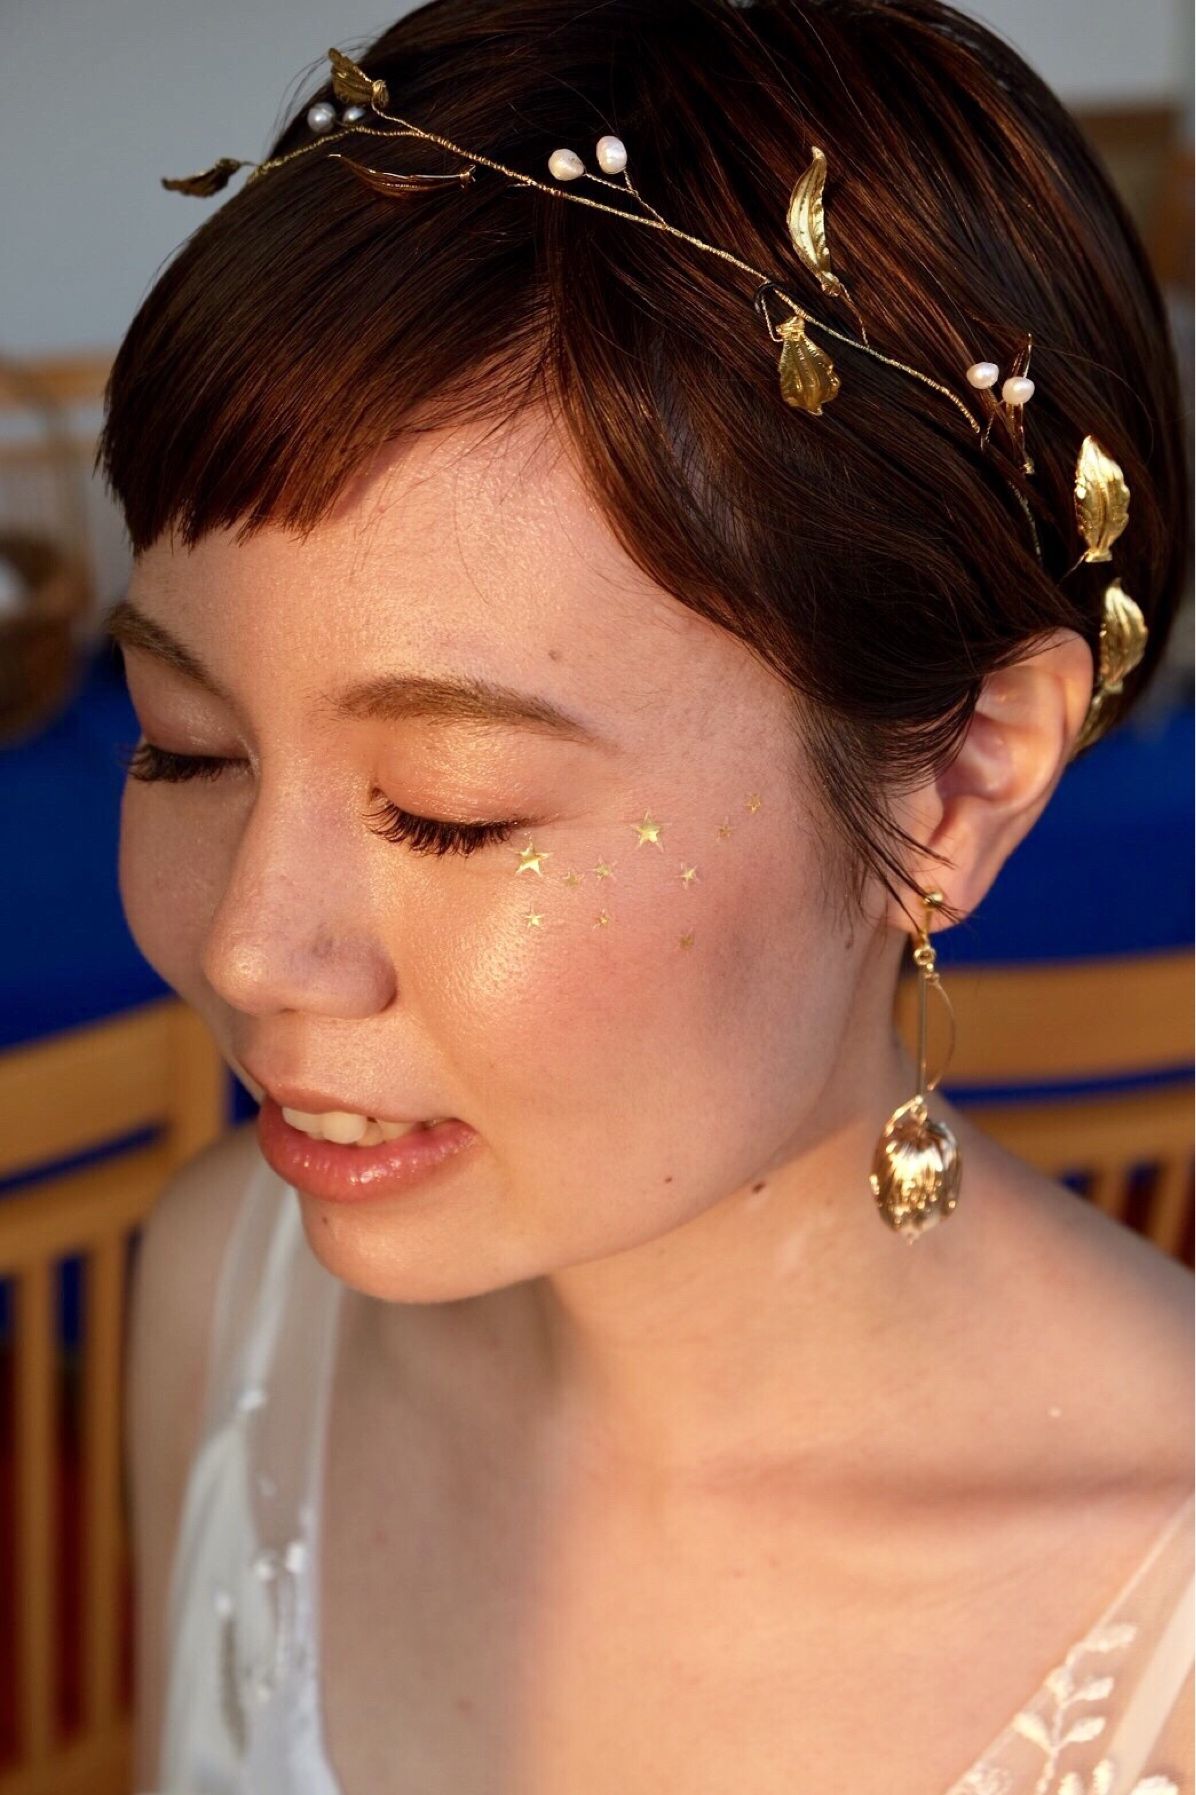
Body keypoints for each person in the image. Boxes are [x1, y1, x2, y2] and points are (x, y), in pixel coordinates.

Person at [100, 0, 1193, 1789]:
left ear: (959, 779)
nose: (247, 946)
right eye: (184, 748)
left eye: (446, 812)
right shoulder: (234, 1300)